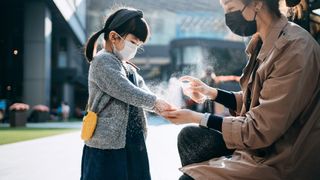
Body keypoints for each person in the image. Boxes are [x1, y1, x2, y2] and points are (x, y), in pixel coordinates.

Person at [161, 0, 320, 179]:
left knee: (188, 178)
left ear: (257, 4)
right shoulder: (262, 41)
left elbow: (259, 129)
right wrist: (211, 92)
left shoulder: (293, 48)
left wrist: (196, 117)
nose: (228, 17)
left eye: (231, 9)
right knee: (189, 137)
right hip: (262, 148)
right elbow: (257, 101)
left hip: (283, 158)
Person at [81, 7, 174, 180]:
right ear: (114, 37)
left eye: (138, 45)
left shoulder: (128, 66)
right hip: (108, 145)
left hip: (132, 141)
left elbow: (142, 90)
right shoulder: (102, 61)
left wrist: (163, 107)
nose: (135, 49)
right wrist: (155, 102)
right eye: (133, 42)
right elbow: (124, 90)